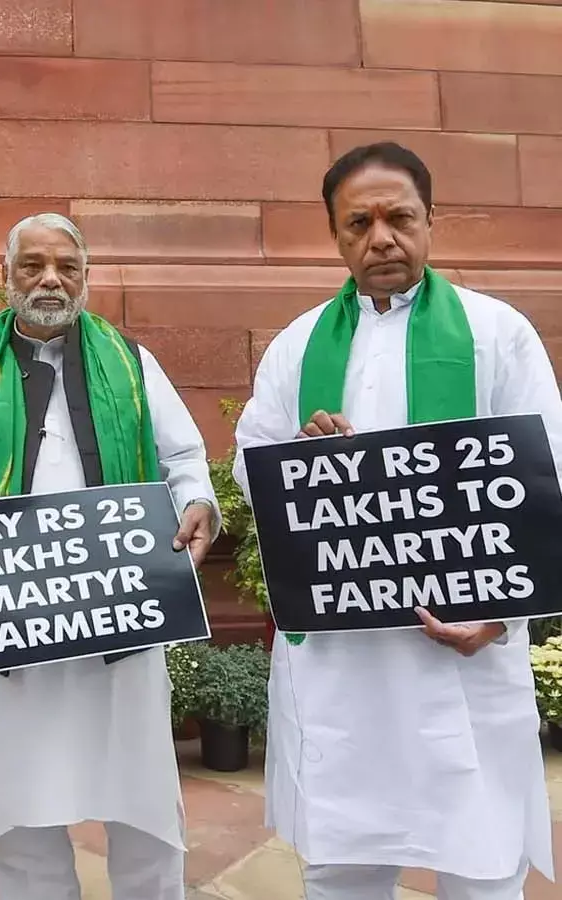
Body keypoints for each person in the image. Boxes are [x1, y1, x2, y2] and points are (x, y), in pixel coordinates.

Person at [232, 141, 559, 900]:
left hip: (462, 650)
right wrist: (301, 458)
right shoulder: (298, 345)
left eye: (399, 218)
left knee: (480, 857)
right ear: (336, 236)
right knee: (343, 860)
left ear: (429, 220)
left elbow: (546, 475)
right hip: (341, 663)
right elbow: (254, 466)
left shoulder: (495, 332)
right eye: (359, 223)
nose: (381, 238)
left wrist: (502, 615)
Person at [0, 213, 219, 900]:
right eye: (33, 266)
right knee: (19, 813)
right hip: (8, 632)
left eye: (67, 267)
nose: (50, 280)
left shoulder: (131, 362)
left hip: (120, 629)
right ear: (5, 276)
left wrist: (198, 505)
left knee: (144, 810)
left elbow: (184, 459)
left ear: (87, 278)